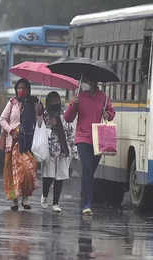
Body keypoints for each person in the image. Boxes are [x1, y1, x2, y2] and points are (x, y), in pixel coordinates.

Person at [64, 78, 115, 216]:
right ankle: (87, 204)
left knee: (90, 171)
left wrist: (107, 114)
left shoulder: (103, 98)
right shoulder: (80, 97)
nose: (90, 83)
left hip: (98, 139)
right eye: (88, 80)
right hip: (83, 138)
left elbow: (111, 113)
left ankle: (85, 198)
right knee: (86, 167)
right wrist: (72, 104)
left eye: (92, 81)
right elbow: (68, 118)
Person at [0, 78, 41, 211]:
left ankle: (26, 198)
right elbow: (2, 119)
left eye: (24, 88)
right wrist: (11, 130)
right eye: (19, 88)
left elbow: (41, 119)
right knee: (11, 173)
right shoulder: (12, 102)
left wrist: (39, 109)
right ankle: (14, 200)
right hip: (12, 143)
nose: (21, 90)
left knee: (28, 170)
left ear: (28, 90)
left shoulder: (34, 102)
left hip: (27, 143)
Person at [40, 91, 75, 213]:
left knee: (59, 177)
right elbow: (40, 129)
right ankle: (44, 196)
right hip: (49, 150)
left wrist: (72, 149)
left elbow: (70, 132)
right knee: (48, 176)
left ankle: (55, 203)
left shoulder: (64, 115)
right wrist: (49, 124)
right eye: (52, 100)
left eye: (57, 100)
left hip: (63, 150)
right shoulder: (44, 115)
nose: (55, 102)